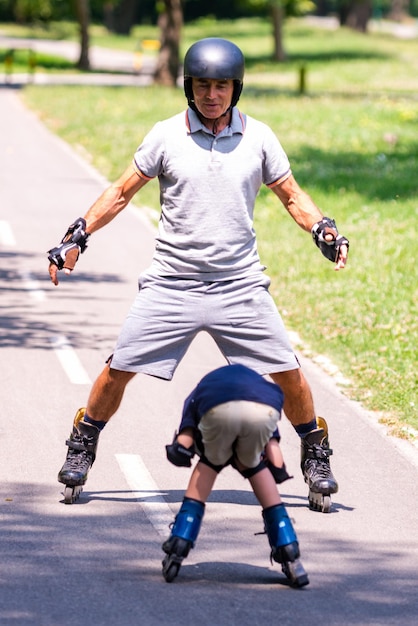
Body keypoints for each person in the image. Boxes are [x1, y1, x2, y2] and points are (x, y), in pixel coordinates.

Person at [48, 38, 349, 509]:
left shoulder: (259, 137)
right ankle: (83, 442)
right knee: (119, 368)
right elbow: (123, 191)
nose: (213, 94)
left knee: (288, 373)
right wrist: (77, 235)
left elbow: (291, 195)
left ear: (236, 88)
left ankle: (316, 452)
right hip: (172, 282)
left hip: (239, 284)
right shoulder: (167, 135)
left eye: (222, 86)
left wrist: (322, 229)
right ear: (190, 87)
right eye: (204, 85)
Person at [161, 363, 309, 587]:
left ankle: (181, 537)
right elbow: (274, 453)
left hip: (217, 408)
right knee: (256, 468)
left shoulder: (203, 390)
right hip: (264, 410)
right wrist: (276, 471)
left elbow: (186, 436)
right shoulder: (264, 391)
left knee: (209, 464)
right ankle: (287, 545)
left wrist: (180, 450)